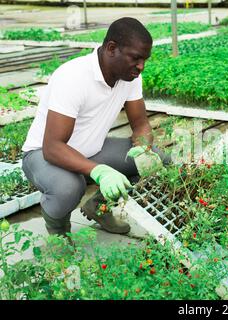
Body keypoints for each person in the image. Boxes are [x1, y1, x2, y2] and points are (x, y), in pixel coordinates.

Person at [21, 17, 170, 238]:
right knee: (69, 187)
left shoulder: (129, 77)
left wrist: (143, 148)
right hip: (43, 155)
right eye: (136, 58)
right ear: (112, 48)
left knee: (157, 161)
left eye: (144, 60)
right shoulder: (73, 77)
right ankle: (59, 234)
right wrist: (97, 171)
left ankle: (98, 207)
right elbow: (52, 147)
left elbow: (140, 124)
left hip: (91, 149)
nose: (141, 67)